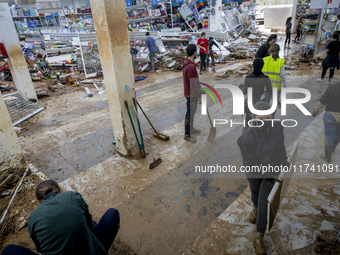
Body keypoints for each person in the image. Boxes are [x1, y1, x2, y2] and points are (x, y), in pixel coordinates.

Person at [1, 180, 120, 255]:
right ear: (59, 191)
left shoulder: (33, 217)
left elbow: (40, 249)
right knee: (112, 214)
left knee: (8, 251)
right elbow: (90, 225)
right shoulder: (73, 196)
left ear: (40, 201)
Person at [237, 101, 289, 255]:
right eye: (261, 119)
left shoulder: (277, 126)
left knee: (264, 202)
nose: (265, 122)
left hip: (271, 171)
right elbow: (250, 164)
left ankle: (258, 237)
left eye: (268, 118)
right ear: (253, 117)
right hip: (254, 172)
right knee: (255, 193)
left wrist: (284, 161)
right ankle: (255, 207)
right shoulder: (246, 138)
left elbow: (281, 145)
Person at [242, 58, 272, 133]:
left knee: (248, 119)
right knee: (259, 122)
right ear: (262, 66)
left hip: (250, 103)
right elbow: (271, 91)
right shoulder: (266, 78)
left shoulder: (248, 78)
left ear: (253, 66)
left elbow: (244, 92)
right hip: (260, 104)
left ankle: (245, 133)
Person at [312, 82, 340, 163]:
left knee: (329, 135)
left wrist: (316, 110)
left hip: (331, 115)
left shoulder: (333, 87)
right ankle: (333, 147)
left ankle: (327, 156)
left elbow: (322, 102)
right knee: (338, 133)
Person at [182, 44, 202, 143]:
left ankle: (191, 129)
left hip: (190, 93)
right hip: (191, 94)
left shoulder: (188, 64)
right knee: (189, 113)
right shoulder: (190, 66)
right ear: (194, 52)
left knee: (192, 112)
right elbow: (193, 84)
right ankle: (187, 134)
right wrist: (199, 96)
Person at [262, 43, 286, 110]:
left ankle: (266, 117)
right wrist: (284, 85)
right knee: (274, 104)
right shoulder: (281, 61)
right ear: (279, 51)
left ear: (270, 50)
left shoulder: (264, 60)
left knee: (267, 102)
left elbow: (261, 73)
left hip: (266, 86)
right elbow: (282, 75)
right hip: (276, 86)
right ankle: (272, 117)